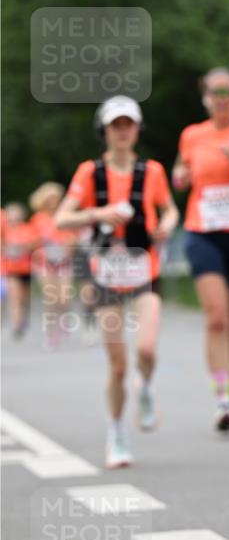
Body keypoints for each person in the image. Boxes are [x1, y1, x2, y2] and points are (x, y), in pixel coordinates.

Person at [56, 96, 179, 468]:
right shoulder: (89, 173)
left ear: (137, 130)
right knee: (118, 365)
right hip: (108, 274)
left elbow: (170, 209)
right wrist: (98, 212)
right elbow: (63, 218)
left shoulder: (152, 171)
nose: (123, 132)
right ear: (105, 131)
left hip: (145, 272)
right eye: (116, 125)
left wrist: (167, 226)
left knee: (146, 349)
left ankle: (147, 389)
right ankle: (117, 433)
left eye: (129, 125)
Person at [172, 68, 229, 430]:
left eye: (228, 91)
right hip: (203, 231)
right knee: (217, 317)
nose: (221, 98)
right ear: (205, 97)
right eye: (214, 92)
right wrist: (180, 175)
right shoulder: (192, 134)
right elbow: (181, 173)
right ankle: (222, 396)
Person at [29, 182, 76, 350]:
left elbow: (72, 238)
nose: (53, 201)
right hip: (44, 263)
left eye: (56, 198)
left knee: (64, 298)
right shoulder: (38, 219)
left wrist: (68, 245)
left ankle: (63, 322)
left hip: (63, 262)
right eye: (50, 198)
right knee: (50, 297)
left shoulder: (64, 216)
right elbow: (31, 241)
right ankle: (51, 335)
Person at [1, 202, 38, 338]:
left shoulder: (28, 228)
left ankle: (24, 318)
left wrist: (23, 248)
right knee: (14, 297)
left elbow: (35, 245)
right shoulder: (5, 230)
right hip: (11, 269)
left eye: (17, 214)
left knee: (24, 298)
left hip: (26, 268)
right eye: (12, 214)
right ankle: (16, 324)